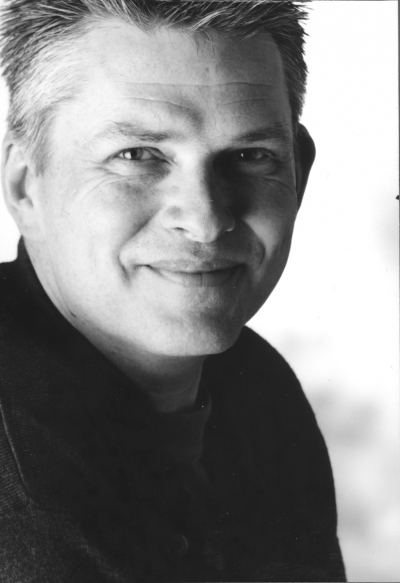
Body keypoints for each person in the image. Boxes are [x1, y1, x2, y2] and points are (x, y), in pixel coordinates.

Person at [0, 1, 346, 581]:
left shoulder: (261, 390)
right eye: (138, 155)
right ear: (24, 185)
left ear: (299, 175)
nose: (206, 221)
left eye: (251, 156)